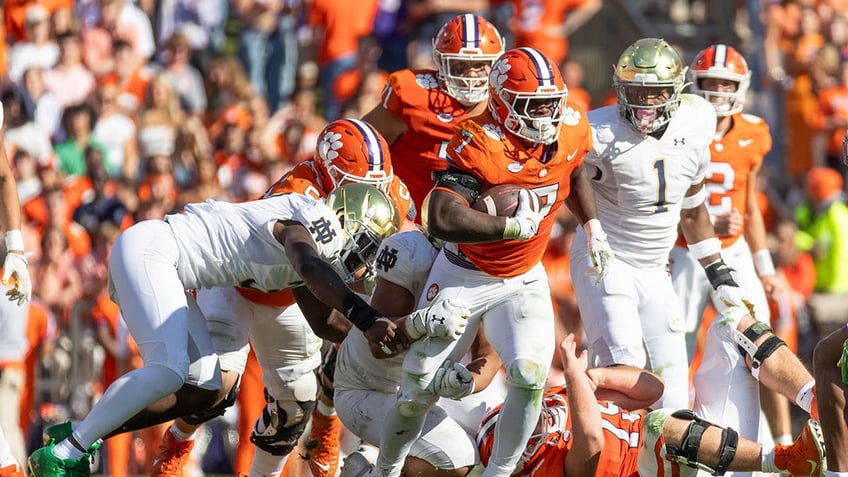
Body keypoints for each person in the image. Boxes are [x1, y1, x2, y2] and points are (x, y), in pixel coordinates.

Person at [26, 183, 402, 477]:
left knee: (205, 387)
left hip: (169, 267)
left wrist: (384, 344)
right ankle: (68, 450)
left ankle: (75, 435)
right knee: (169, 370)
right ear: (349, 218)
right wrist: (366, 317)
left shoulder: (311, 254)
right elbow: (308, 264)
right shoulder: (316, 221)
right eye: (366, 245)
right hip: (155, 253)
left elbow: (323, 322)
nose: (363, 262)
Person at [375, 46, 614, 477]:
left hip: (524, 276)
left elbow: (574, 170)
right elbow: (442, 216)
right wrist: (508, 229)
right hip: (464, 273)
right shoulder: (478, 140)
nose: (546, 115)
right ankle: (384, 470)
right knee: (417, 387)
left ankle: (500, 473)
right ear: (502, 103)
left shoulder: (573, 126)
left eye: (551, 103)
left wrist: (592, 225)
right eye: (533, 106)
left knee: (529, 374)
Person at [151, 118, 416, 477]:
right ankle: (176, 444)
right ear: (329, 174)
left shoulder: (388, 192)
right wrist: (361, 317)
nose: (369, 196)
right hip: (241, 284)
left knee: (293, 407)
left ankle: (282, 457)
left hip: (291, 297)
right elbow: (309, 277)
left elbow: (407, 240)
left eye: (377, 185)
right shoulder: (299, 192)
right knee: (217, 384)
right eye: (357, 186)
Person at [572, 38, 746, 409]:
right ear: (619, 86)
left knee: (673, 399)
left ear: (676, 90)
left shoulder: (697, 119)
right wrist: (592, 228)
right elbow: (567, 178)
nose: (644, 102)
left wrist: (719, 274)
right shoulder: (595, 130)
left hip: (655, 269)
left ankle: (654, 464)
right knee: (625, 371)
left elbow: (694, 209)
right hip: (606, 259)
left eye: (655, 92)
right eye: (635, 90)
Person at [668, 44, 814, 449]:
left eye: (725, 83)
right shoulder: (676, 126)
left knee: (764, 343)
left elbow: (748, 201)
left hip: (733, 253)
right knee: (674, 346)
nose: (716, 91)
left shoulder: (754, 132)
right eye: (709, 82)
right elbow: (662, 199)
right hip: (686, 252)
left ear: (741, 87)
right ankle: (673, 440)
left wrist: (764, 267)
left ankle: (783, 441)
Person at [476, 332, 826, 477]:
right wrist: (571, 374)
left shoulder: (560, 400)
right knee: (656, 425)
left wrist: (593, 378)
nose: (533, 426)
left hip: (704, 452)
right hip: (665, 461)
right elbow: (593, 442)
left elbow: (651, 389)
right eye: (521, 439)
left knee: (733, 325)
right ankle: (787, 461)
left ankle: (818, 405)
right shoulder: (550, 466)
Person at [334, 222, 507, 477]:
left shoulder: (492, 271)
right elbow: (379, 343)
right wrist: (420, 323)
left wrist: (467, 383)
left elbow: (488, 357)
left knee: (497, 432)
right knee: (459, 461)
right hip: (369, 388)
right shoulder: (412, 254)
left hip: (427, 382)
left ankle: (375, 456)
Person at [362, 13, 505, 214]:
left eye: (480, 65)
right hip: (406, 220)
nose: (471, 75)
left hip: (467, 225)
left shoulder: (505, 105)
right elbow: (362, 145)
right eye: (460, 65)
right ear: (441, 62)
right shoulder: (413, 96)